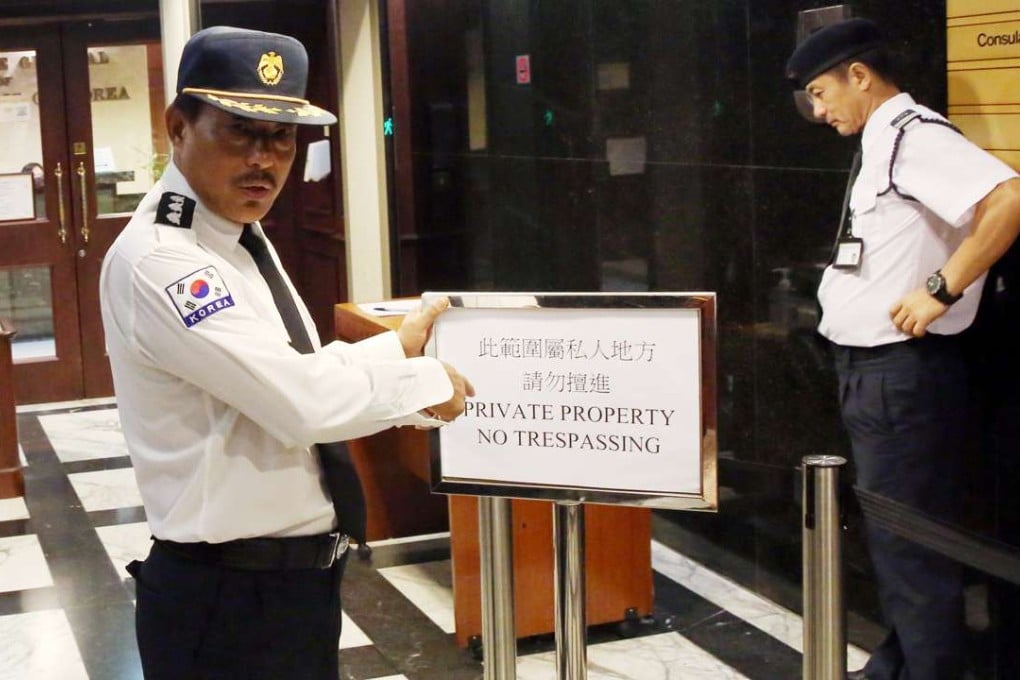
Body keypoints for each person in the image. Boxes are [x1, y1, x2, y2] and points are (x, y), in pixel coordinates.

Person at [99, 26, 473, 679]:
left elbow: (288, 375)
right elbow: (301, 404)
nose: (264, 160)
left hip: (287, 592)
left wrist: (391, 352)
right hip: (228, 604)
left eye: (281, 138)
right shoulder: (166, 260)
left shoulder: (235, 232)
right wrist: (420, 381)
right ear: (178, 126)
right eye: (240, 131)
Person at [785, 18, 1020, 680]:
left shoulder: (917, 137)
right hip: (876, 373)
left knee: (909, 543)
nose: (819, 111)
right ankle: (902, 662)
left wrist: (940, 290)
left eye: (823, 94)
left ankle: (929, 671)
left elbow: (1008, 199)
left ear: (860, 76)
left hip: (900, 374)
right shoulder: (883, 142)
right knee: (898, 540)